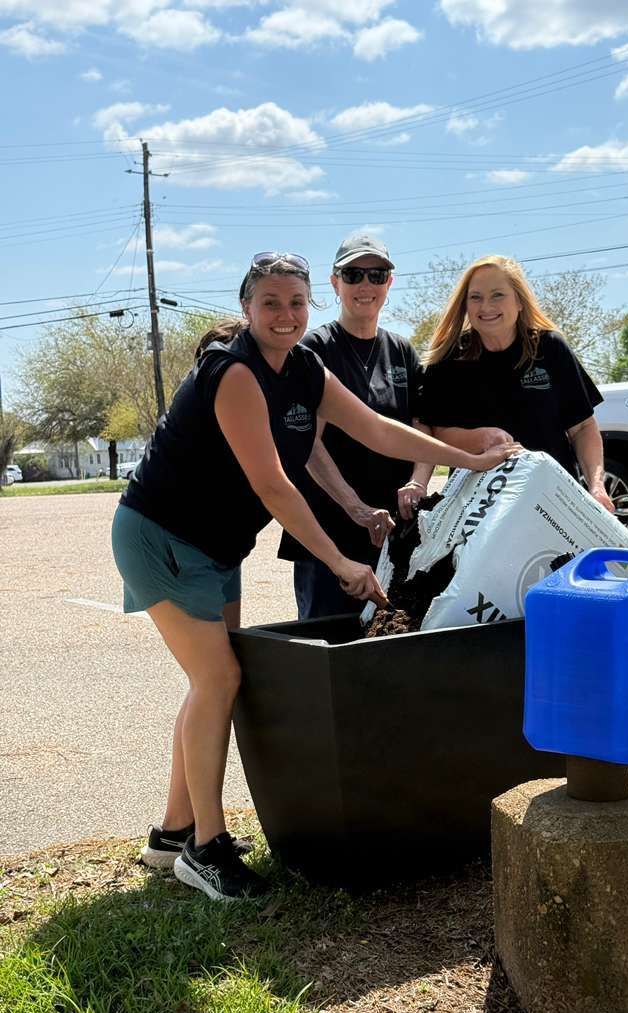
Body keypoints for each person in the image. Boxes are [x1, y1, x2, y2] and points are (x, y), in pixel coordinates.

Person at [111, 252, 517, 901]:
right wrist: (339, 559)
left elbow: (380, 431)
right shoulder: (235, 372)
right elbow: (274, 485)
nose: (285, 314)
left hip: (215, 547)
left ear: (309, 305)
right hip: (161, 536)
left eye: (296, 302)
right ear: (247, 308)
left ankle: (172, 833)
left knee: (211, 682)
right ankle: (205, 849)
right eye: (270, 302)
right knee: (219, 679)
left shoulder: (303, 368)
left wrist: (464, 454)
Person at [278, 232, 433, 619]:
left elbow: (423, 427)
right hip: (330, 532)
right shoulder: (313, 350)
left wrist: (419, 481)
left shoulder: (401, 350)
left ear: (389, 283)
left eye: (377, 275)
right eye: (353, 274)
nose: (366, 285)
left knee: (390, 641)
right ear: (335, 283)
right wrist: (356, 508)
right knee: (328, 647)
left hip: (394, 533)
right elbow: (308, 445)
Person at [419, 255, 615, 512]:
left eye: (497, 295)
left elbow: (583, 428)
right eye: (475, 297)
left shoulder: (550, 348)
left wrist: (596, 486)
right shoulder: (448, 358)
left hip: (552, 500)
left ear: (520, 301)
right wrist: (481, 438)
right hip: (477, 506)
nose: (486, 306)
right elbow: (436, 433)